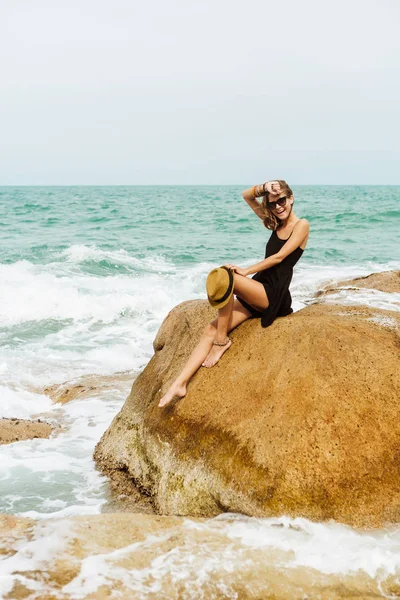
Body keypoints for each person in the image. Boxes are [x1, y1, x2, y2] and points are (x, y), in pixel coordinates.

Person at [158, 180, 309, 408]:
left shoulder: (301, 225)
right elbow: (246, 195)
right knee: (211, 326)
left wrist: (246, 270)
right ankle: (179, 384)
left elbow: (278, 258)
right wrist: (264, 188)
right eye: (273, 203)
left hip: (273, 296)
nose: (279, 206)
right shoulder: (274, 223)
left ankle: (221, 342)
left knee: (228, 278)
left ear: (291, 198)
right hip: (258, 290)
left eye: (282, 201)